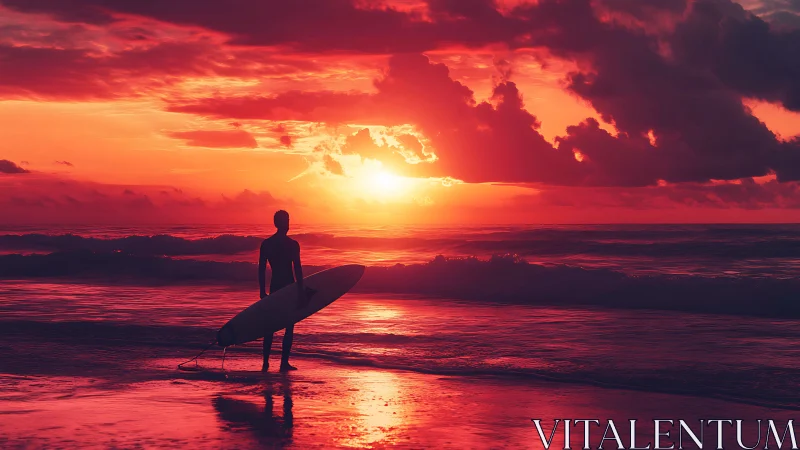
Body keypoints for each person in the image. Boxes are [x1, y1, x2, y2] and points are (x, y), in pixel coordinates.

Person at [258, 210, 304, 372]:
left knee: (270, 327)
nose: (288, 222)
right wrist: (301, 290)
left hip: (275, 288)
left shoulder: (267, 244)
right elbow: (297, 269)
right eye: (287, 220)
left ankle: (266, 363)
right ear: (282, 223)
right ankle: (283, 363)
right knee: (287, 327)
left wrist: (263, 292)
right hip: (289, 288)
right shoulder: (292, 244)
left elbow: (261, 270)